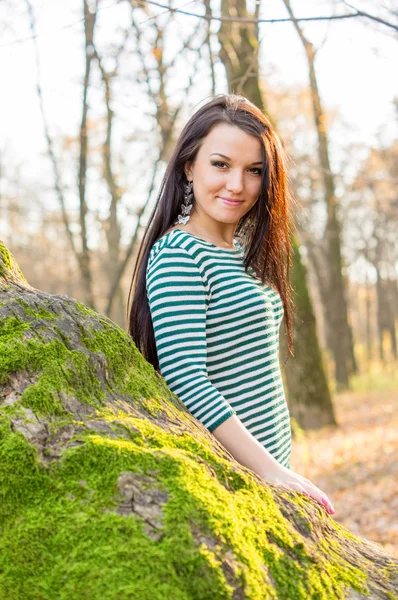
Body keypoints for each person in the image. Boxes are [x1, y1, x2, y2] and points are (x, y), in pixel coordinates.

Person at [128, 94, 335, 516]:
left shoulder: (241, 251)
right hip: (234, 482)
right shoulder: (179, 254)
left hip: (271, 475)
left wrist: (281, 470)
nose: (237, 185)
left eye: (254, 170)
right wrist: (269, 471)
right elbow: (185, 377)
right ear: (189, 166)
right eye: (220, 164)